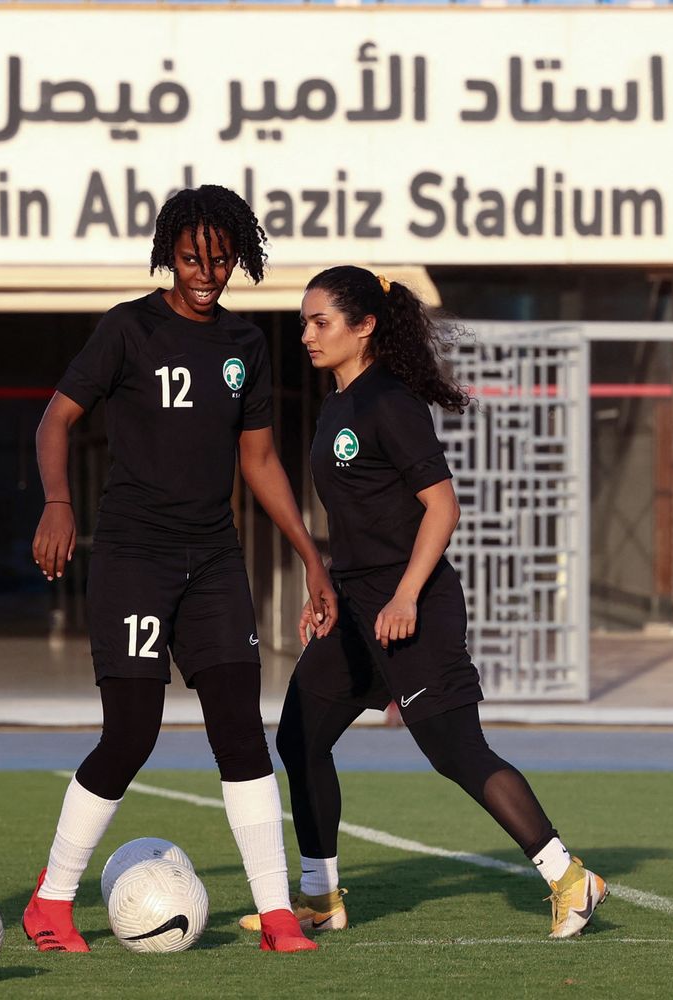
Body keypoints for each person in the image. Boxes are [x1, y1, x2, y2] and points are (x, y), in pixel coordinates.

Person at [22, 186, 337, 954]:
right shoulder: (127, 328)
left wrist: (311, 556)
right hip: (134, 556)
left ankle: (276, 915)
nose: (207, 273)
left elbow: (259, 460)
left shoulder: (245, 344)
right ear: (170, 253)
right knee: (132, 733)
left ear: (237, 258)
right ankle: (50, 902)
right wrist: (58, 502)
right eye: (193, 258)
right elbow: (56, 418)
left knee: (242, 732)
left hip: (215, 563)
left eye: (220, 259)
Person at [252, 265, 605, 938]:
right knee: (300, 737)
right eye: (304, 323)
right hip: (354, 609)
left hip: (411, 609)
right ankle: (321, 898)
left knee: (455, 751)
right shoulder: (335, 406)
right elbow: (360, 518)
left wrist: (406, 596)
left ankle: (569, 876)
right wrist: (326, 586)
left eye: (320, 322)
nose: (307, 335)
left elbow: (443, 508)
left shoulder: (390, 401)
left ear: (365, 326)